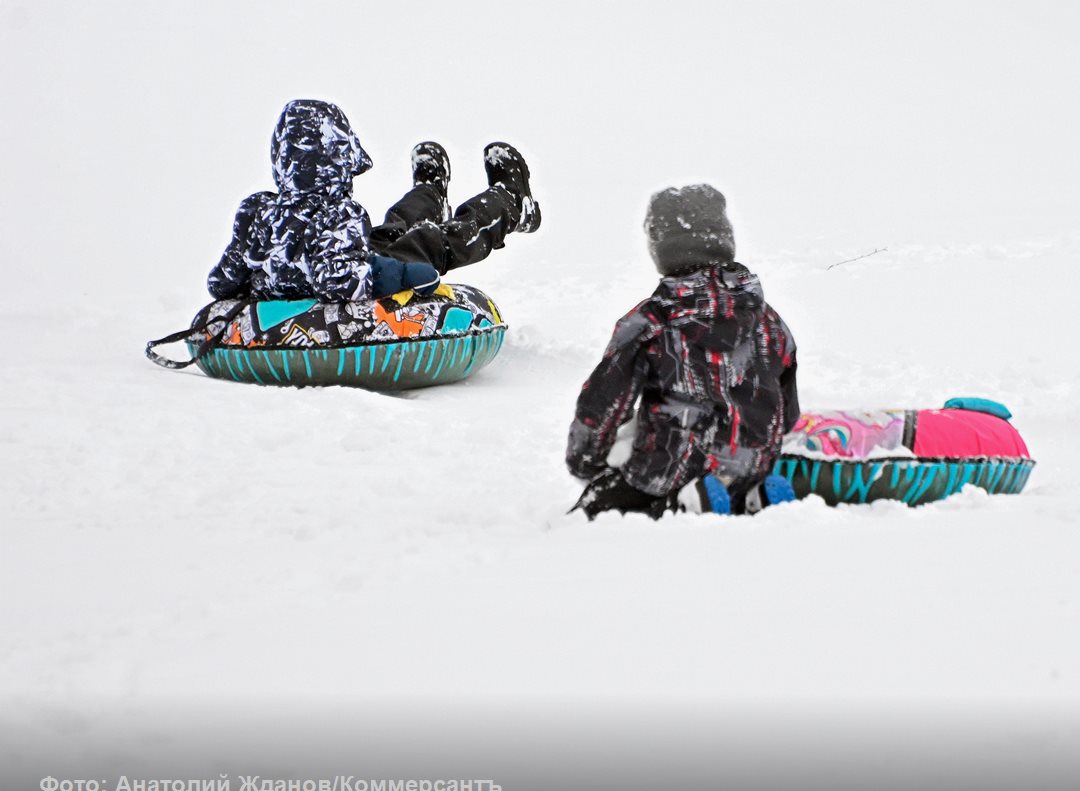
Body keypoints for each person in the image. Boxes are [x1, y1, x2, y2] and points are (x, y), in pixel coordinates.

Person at [566, 184, 800, 519]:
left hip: (667, 467)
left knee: (594, 509)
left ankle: (682, 503)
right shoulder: (768, 320)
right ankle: (753, 496)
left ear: (661, 249)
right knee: (733, 476)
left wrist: (586, 462)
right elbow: (788, 410)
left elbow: (602, 403)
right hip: (753, 462)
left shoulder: (650, 322)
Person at [207, 99, 539, 304]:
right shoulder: (338, 216)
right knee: (433, 242)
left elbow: (223, 279)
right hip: (365, 276)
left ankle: (429, 192)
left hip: (356, 259)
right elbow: (344, 278)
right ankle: (510, 202)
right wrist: (411, 276)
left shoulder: (259, 212)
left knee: (390, 229)